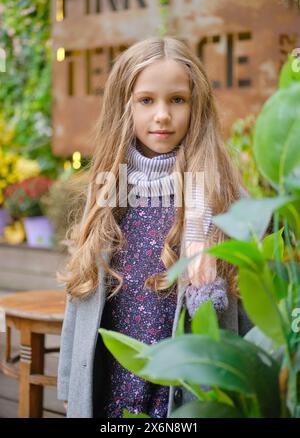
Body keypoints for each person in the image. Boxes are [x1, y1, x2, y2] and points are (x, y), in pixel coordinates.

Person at [57, 36, 252, 418]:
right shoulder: (108, 192)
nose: (162, 115)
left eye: (177, 100)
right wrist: (69, 383)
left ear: (197, 106)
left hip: (184, 398)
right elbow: (79, 296)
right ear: (123, 106)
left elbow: (249, 313)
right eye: (146, 100)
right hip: (112, 389)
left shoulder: (223, 198)